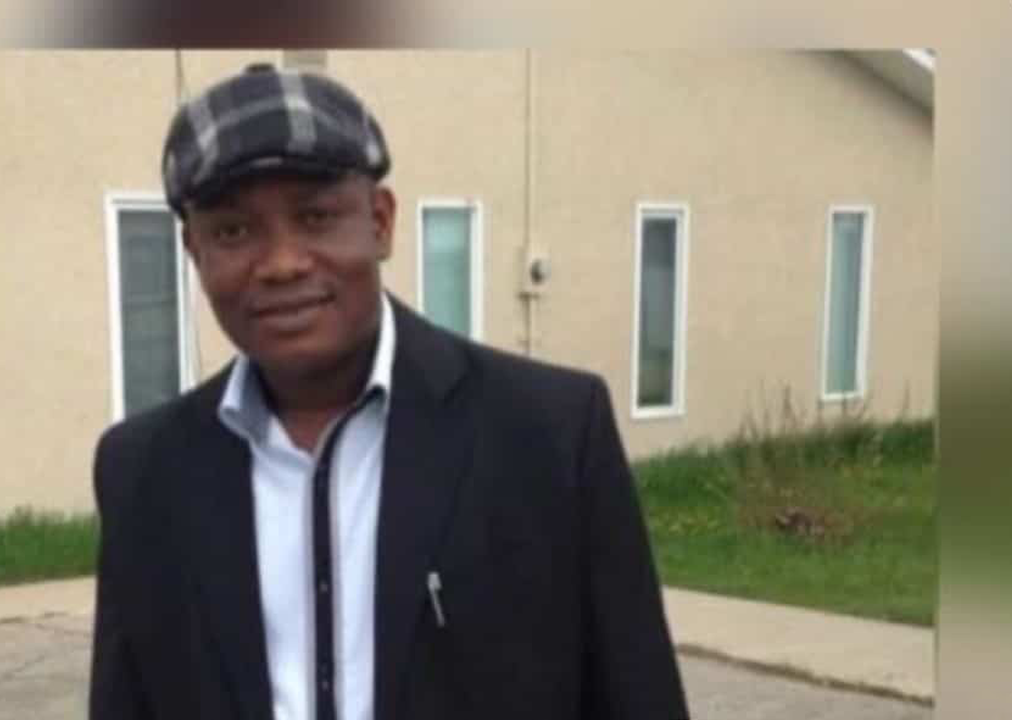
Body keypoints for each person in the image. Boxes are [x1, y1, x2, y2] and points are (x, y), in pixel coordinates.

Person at [89, 62, 689, 720]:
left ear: (380, 221)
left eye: (316, 216)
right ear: (194, 251)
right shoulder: (143, 473)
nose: (282, 263)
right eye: (233, 231)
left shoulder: (550, 434)